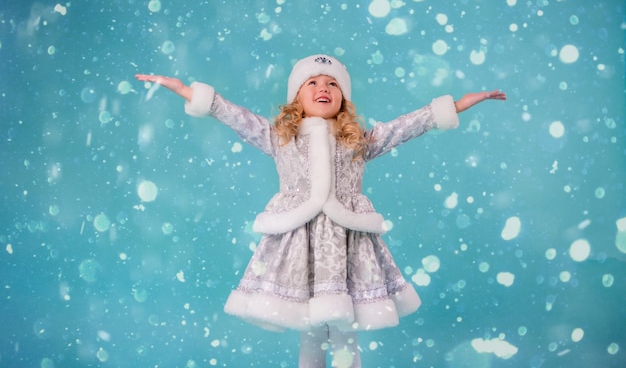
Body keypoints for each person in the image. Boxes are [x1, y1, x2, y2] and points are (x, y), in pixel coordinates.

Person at [136, 54, 506, 367]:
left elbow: (405, 126)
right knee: (310, 326)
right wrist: (188, 91)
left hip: (346, 243)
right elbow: (234, 116)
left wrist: (455, 105)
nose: (323, 88)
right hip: (299, 243)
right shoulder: (279, 137)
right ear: (296, 96)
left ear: (343, 98)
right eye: (312, 83)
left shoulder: (358, 140)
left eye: (331, 83)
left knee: (345, 327)